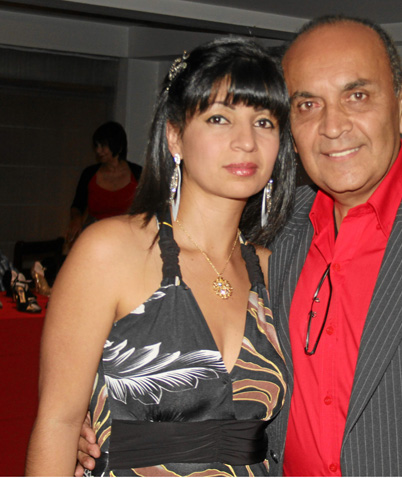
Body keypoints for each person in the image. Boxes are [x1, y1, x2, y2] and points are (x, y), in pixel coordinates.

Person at [78, 15, 402, 476]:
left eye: (357, 96)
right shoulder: (270, 238)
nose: (333, 126)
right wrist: (113, 425)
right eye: (307, 105)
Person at [26, 36, 296, 476]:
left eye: (263, 122)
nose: (246, 141)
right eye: (220, 118)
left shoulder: (274, 270)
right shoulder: (111, 252)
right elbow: (58, 424)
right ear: (175, 136)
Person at [65, 121, 143, 247]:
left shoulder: (138, 173)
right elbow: (77, 205)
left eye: (103, 145)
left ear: (118, 145)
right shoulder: (89, 173)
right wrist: (76, 219)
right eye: (96, 146)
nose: (98, 150)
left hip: (128, 238)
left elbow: (148, 207)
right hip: (96, 237)